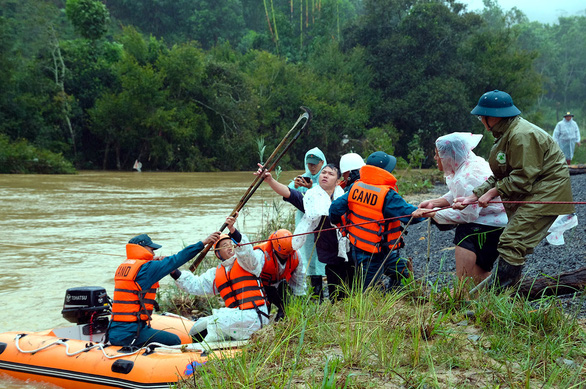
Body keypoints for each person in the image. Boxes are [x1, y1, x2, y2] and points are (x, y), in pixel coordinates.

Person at [454, 90, 575, 290]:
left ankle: (500, 298)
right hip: (534, 190)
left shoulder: (521, 135)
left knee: (512, 241)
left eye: (480, 116)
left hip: (547, 192)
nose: (480, 120)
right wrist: (473, 196)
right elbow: (500, 175)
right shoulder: (505, 134)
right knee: (512, 242)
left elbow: (522, 177)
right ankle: (503, 296)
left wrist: (491, 193)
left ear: (493, 117)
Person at [416, 132, 508, 284]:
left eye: (437, 154)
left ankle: (461, 288)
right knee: (478, 279)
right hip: (495, 221)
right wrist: (435, 202)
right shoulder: (467, 164)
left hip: (490, 224)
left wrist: (432, 214)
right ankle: (472, 294)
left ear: (449, 156)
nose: (435, 158)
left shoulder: (466, 175)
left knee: (463, 233)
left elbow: (467, 215)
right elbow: (458, 194)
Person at [330, 151, 425, 291]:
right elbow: (410, 216)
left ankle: (400, 285)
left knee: (398, 268)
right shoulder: (388, 194)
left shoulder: (355, 187)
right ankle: (373, 304)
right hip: (376, 251)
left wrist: (344, 226)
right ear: (384, 171)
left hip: (358, 245)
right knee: (367, 293)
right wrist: (429, 212)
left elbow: (334, 210)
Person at [258, 163, 354, 301]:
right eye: (323, 172)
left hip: (349, 250)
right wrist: (270, 180)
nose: (325, 175)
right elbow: (289, 193)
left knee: (354, 289)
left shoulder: (346, 198)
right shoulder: (310, 199)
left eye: (330, 174)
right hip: (329, 254)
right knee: (336, 294)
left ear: (338, 181)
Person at [108, 232, 221, 347]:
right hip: (130, 332)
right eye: (152, 250)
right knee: (174, 340)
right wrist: (203, 243)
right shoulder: (147, 268)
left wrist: (153, 263)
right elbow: (177, 259)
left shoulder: (125, 267)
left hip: (114, 330)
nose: (153, 253)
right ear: (142, 249)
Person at [170, 214, 270, 342]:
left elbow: (246, 253)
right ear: (217, 253)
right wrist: (174, 272)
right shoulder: (216, 273)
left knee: (217, 320)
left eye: (231, 243)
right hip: (238, 318)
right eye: (224, 245)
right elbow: (196, 285)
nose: (229, 246)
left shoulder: (246, 262)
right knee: (198, 327)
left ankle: (205, 350)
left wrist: (233, 230)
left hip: (255, 316)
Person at [287, 147, 327, 299]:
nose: (312, 167)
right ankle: (315, 292)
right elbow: (288, 191)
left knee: (322, 254)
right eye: (309, 163)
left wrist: (312, 187)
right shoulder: (303, 177)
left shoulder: (326, 176)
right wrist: (296, 186)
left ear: (322, 162)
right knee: (307, 253)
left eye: (315, 163)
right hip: (305, 223)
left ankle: (327, 288)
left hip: (322, 223)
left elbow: (328, 191)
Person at [244, 228, 306, 321]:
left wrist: (300, 296)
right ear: (275, 248)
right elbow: (250, 277)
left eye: (289, 254)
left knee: (289, 302)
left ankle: (281, 323)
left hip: (280, 284)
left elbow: (299, 278)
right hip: (262, 287)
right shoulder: (260, 255)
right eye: (284, 255)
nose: (287, 256)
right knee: (263, 312)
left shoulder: (296, 255)